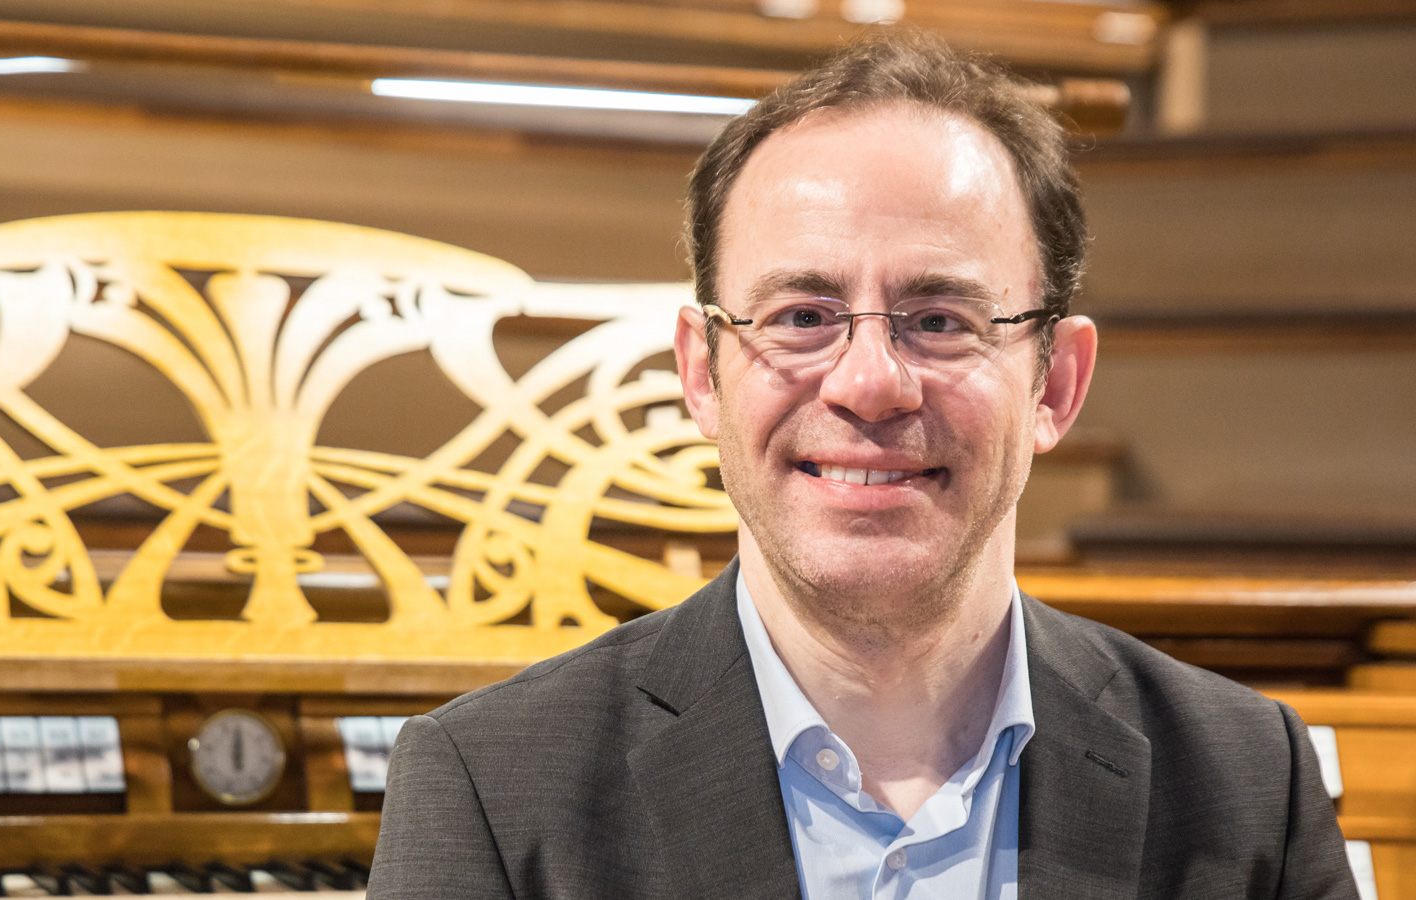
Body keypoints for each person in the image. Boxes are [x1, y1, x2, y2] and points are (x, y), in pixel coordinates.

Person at [368, 30, 1356, 900]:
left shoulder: (1244, 780)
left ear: (1055, 384)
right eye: (801, 317)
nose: (870, 382)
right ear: (700, 375)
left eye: (939, 319)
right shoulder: (487, 785)